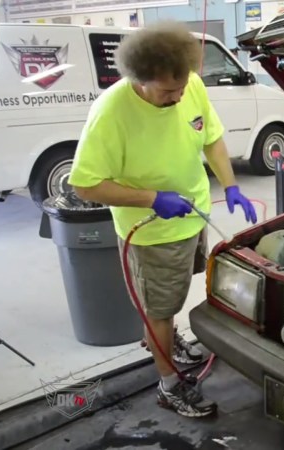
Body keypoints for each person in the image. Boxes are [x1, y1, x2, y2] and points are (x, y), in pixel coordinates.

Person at [68, 21, 257, 418]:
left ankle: (162, 342)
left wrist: (231, 185)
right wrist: (152, 199)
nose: (180, 95)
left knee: (167, 302)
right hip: (152, 233)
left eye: (183, 85)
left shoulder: (189, 85)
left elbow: (212, 137)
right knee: (159, 309)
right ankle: (169, 385)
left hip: (192, 217)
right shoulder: (111, 113)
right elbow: (85, 185)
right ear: (139, 80)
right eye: (168, 91)